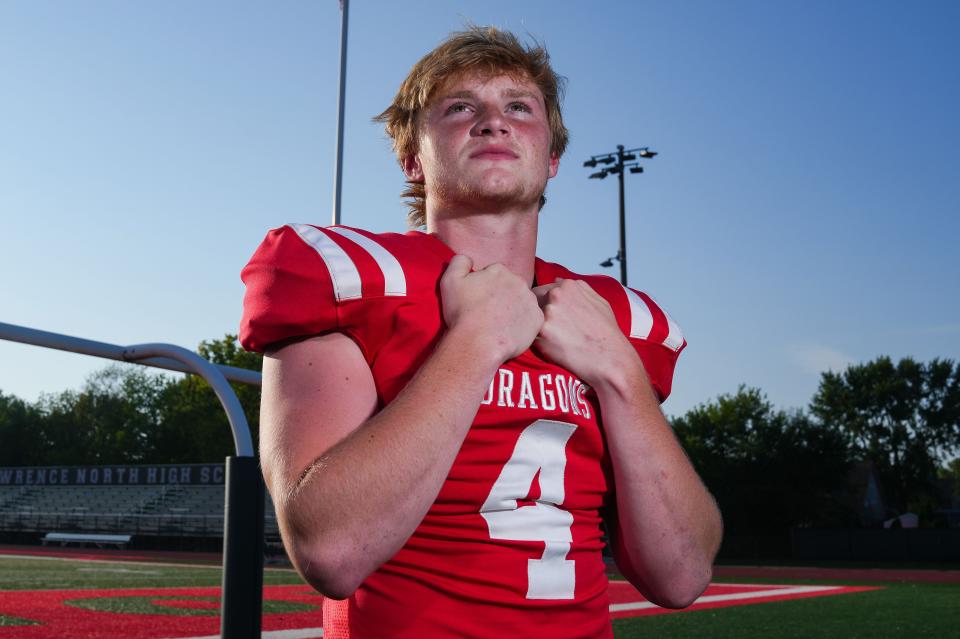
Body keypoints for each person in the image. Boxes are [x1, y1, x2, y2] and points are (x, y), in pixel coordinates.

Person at [240, 26, 721, 639]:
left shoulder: (609, 320)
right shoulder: (356, 277)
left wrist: (620, 373)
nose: (494, 122)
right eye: (461, 107)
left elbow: (682, 576)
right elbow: (332, 550)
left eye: (519, 108)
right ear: (412, 157)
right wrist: (477, 341)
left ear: (552, 159)